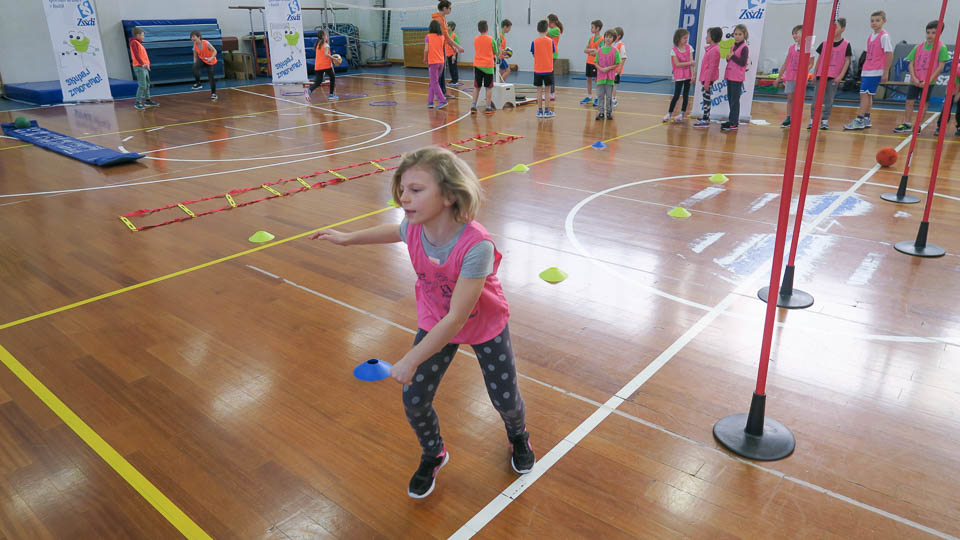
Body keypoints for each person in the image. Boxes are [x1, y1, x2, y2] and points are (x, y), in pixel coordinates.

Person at [310, 147, 535, 499]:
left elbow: (457, 318)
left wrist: (410, 359)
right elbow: (395, 230)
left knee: (504, 399)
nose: (404, 197)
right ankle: (434, 453)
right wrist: (348, 238)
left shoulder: (476, 246)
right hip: (435, 318)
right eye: (403, 189)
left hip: (481, 323)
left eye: (415, 190)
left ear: (449, 195)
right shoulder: (414, 227)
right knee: (415, 398)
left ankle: (518, 434)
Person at [894, 20, 949, 133]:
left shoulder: (941, 47)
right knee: (909, 101)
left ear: (939, 33)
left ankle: (918, 125)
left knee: (924, 103)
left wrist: (928, 80)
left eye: (933, 33)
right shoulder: (919, 47)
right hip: (915, 80)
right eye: (928, 32)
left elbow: (940, 67)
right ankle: (907, 123)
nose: (930, 35)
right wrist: (914, 78)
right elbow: (911, 64)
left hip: (928, 82)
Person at [845, 11, 893, 130]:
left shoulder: (884, 36)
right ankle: (866, 118)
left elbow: (889, 54)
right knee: (868, 95)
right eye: (872, 21)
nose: (874, 23)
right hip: (868, 70)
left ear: (884, 21)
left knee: (864, 95)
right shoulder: (870, 37)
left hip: (875, 70)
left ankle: (859, 119)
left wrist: (886, 72)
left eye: (877, 20)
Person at [807, 17, 851, 130]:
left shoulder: (846, 44)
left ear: (843, 29)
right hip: (821, 75)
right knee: (816, 99)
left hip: (833, 77)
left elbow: (847, 61)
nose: (833, 29)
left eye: (836, 27)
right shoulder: (825, 43)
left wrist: (841, 76)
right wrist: (815, 73)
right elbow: (819, 59)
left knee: (829, 100)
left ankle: (824, 120)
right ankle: (812, 119)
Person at [431, 1, 464, 99]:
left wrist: (453, 48)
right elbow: (447, 38)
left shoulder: (443, 18)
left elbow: (446, 39)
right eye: (449, 8)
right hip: (437, 49)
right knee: (439, 72)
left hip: (441, 47)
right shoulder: (439, 20)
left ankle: (443, 92)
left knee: (442, 71)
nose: (450, 10)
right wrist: (458, 47)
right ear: (444, 8)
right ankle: (438, 94)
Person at [721, 24, 749, 132]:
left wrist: (732, 56)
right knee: (731, 98)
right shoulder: (733, 46)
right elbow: (731, 59)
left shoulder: (744, 47)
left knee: (735, 100)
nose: (737, 36)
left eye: (740, 34)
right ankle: (731, 120)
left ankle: (734, 122)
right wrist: (728, 58)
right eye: (735, 34)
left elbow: (742, 62)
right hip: (730, 75)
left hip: (737, 77)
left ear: (744, 35)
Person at [694, 27, 722, 129]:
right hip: (706, 77)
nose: (706, 37)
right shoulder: (711, 49)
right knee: (706, 97)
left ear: (713, 37)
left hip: (708, 79)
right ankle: (705, 116)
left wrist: (707, 82)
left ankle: (706, 119)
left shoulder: (714, 50)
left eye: (708, 36)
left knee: (706, 98)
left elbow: (711, 68)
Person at [776, 25, 803, 128]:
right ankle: (788, 118)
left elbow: (810, 63)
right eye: (793, 33)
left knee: (798, 99)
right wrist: (779, 77)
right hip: (790, 76)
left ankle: (796, 117)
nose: (794, 35)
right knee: (790, 98)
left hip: (799, 78)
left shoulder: (808, 48)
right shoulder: (791, 47)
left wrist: (800, 75)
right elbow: (786, 62)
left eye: (796, 33)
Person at [665, 28, 694, 123]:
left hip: (688, 75)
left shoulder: (689, 48)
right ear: (678, 38)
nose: (686, 40)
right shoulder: (674, 50)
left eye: (687, 38)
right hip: (679, 75)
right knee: (676, 95)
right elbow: (677, 64)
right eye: (684, 38)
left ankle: (682, 114)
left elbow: (692, 64)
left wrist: (693, 75)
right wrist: (690, 63)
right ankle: (669, 113)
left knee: (686, 94)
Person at [531, 19, 557, 118]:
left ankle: (539, 111)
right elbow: (552, 52)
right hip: (548, 69)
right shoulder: (551, 41)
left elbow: (534, 54)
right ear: (547, 30)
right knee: (547, 91)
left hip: (538, 69)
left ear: (538, 30)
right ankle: (547, 111)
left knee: (539, 91)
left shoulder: (534, 42)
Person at [471, 19, 498, 114]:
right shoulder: (491, 39)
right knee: (488, 88)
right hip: (488, 66)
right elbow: (495, 52)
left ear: (479, 29)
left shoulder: (475, 39)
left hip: (478, 66)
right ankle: (488, 107)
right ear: (487, 29)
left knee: (476, 87)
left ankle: (473, 106)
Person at [594, 29, 621, 121]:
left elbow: (617, 63)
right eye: (606, 36)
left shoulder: (615, 51)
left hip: (610, 78)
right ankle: (601, 113)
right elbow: (596, 62)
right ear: (604, 38)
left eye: (610, 37)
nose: (608, 38)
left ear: (613, 39)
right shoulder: (600, 50)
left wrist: (608, 68)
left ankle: (609, 113)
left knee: (609, 97)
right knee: (600, 96)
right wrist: (601, 69)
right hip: (600, 77)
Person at [129, 27, 158, 110]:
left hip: (144, 67)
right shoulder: (134, 43)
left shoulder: (138, 43)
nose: (143, 37)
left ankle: (147, 100)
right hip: (139, 67)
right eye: (142, 35)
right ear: (137, 35)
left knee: (147, 84)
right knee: (142, 85)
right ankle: (137, 102)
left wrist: (146, 65)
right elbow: (136, 55)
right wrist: (142, 64)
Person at [308, 29, 338, 102]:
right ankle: (331, 95)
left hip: (318, 66)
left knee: (318, 82)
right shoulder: (326, 45)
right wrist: (334, 59)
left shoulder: (318, 44)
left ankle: (310, 90)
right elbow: (326, 54)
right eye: (326, 35)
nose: (327, 36)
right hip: (326, 66)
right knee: (332, 77)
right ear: (323, 36)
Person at [424, 20, 448, 109]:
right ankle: (430, 102)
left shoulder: (428, 37)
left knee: (434, 82)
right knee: (432, 82)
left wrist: (425, 58)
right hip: (441, 62)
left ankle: (442, 100)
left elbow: (426, 50)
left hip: (433, 62)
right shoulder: (442, 37)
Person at [190, 30, 219, 100]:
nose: (192, 38)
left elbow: (215, 51)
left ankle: (214, 94)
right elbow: (195, 56)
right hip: (202, 60)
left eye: (193, 36)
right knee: (194, 67)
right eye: (191, 37)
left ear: (199, 37)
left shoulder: (206, 43)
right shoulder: (194, 46)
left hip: (210, 61)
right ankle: (198, 84)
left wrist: (211, 58)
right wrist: (195, 65)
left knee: (211, 77)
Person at [581, 20, 604, 106]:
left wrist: (593, 51)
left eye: (592, 27)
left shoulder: (602, 40)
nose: (591, 29)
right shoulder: (591, 39)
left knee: (597, 81)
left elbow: (599, 52)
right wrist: (592, 50)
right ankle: (589, 96)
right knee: (588, 79)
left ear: (598, 28)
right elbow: (585, 50)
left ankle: (598, 98)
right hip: (588, 62)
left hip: (596, 63)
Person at [546, 13, 563, 101]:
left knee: (550, 74)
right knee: (549, 74)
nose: (547, 24)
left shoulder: (556, 30)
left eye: (548, 22)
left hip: (552, 54)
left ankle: (551, 93)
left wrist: (544, 24)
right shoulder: (553, 29)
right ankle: (550, 93)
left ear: (552, 22)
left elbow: (545, 32)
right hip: (549, 54)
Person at [612, 27, 627, 107]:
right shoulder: (612, 44)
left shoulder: (621, 45)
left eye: (615, 34)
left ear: (619, 36)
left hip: (617, 69)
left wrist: (620, 68)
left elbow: (624, 58)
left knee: (613, 84)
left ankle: (614, 99)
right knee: (610, 84)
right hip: (611, 67)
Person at [445, 21, 461, 86]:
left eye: (448, 26)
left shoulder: (454, 36)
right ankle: (452, 79)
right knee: (450, 68)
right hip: (448, 54)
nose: (446, 27)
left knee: (454, 67)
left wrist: (454, 55)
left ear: (451, 27)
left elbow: (456, 46)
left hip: (453, 54)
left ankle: (455, 80)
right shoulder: (446, 35)